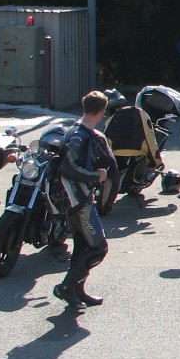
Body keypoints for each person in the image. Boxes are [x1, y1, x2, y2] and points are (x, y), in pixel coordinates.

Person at [53, 91, 118, 311]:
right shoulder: (80, 136)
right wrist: (95, 176)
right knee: (99, 247)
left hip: (75, 198)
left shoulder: (75, 129)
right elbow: (68, 167)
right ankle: (66, 287)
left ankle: (78, 289)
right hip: (77, 199)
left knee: (82, 246)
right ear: (101, 111)